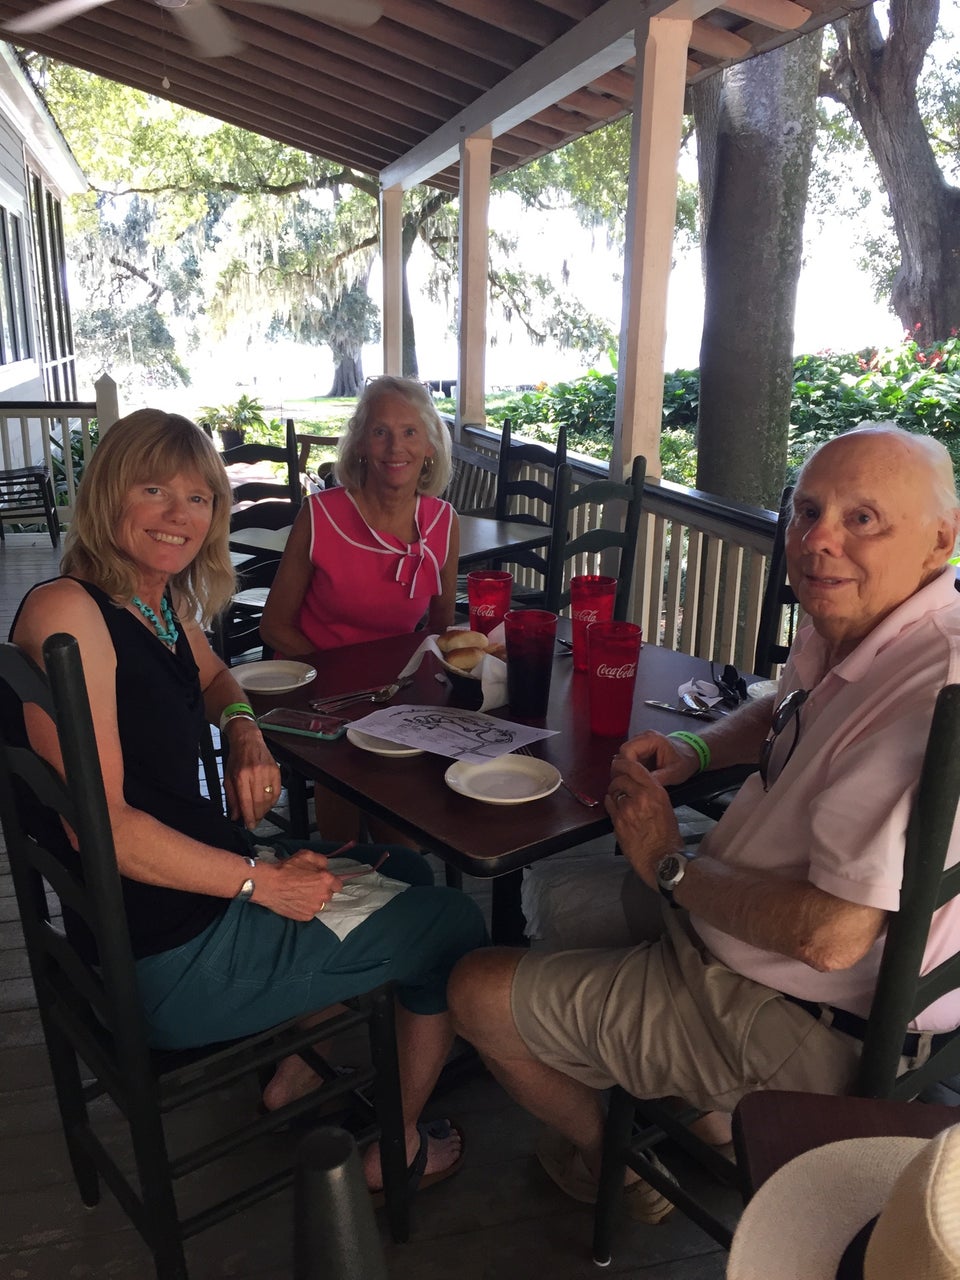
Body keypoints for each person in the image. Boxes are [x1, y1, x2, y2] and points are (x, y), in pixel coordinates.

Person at [448, 425, 960, 1219]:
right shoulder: (869, 623)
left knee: (473, 989)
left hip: (811, 1023)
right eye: (808, 511)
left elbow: (831, 937)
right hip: (741, 932)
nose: (817, 541)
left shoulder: (928, 694)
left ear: (941, 540)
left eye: (863, 519)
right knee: (554, 899)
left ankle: (616, 1165)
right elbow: (785, 705)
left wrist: (668, 863)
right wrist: (695, 748)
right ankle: (701, 1110)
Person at [9, 409, 486, 1196]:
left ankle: (297, 1071)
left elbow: (216, 677)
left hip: (181, 904)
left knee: (403, 869)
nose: (179, 514)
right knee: (453, 924)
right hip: (167, 960)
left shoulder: (149, 600)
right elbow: (106, 832)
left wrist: (243, 732)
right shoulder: (70, 613)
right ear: (106, 493)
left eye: (198, 498)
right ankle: (395, 1147)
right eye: (154, 490)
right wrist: (263, 883)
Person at [260, 375, 459, 657]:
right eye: (380, 432)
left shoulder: (444, 522)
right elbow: (274, 627)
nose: (395, 447)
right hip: (314, 675)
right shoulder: (318, 515)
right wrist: (339, 674)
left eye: (409, 432)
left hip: (393, 679)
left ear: (430, 445)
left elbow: (440, 628)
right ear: (361, 443)